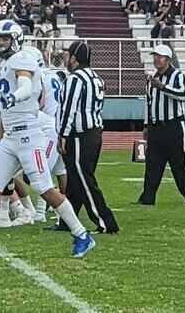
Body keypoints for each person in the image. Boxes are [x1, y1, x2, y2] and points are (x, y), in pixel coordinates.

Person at [0, 20, 95, 258]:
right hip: (10, 135)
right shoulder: (2, 67)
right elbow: (4, 112)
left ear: (15, 38)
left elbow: (23, 85)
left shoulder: (22, 59)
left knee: (44, 187)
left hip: (29, 135)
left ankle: (81, 234)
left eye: (4, 38)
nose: (0, 43)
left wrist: (12, 98)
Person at [59, 41, 119, 234]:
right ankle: (67, 221)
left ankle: (105, 221)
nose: (66, 59)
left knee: (84, 180)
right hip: (94, 132)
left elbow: (69, 108)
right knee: (76, 180)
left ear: (75, 58)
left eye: (68, 55)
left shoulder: (75, 78)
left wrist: (62, 134)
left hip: (79, 135)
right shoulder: (96, 77)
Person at [138, 45, 185, 206]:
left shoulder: (176, 75)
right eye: (155, 56)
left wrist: (163, 87)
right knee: (152, 164)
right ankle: (148, 198)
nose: (156, 59)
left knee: (179, 163)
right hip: (156, 127)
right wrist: (146, 124)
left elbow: (182, 94)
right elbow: (149, 102)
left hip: (174, 126)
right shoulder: (153, 78)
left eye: (160, 56)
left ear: (168, 59)